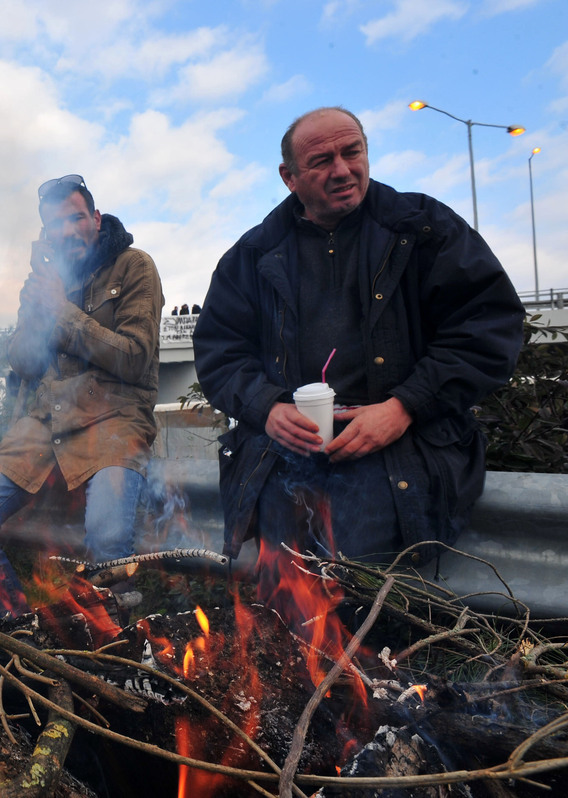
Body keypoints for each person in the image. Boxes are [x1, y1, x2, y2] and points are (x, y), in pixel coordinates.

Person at [193, 106, 524, 567]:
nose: (343, 170)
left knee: (360, 588)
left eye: (353, 153)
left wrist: (405, 405)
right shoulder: (252, 254)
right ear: (289, 177)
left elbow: (489, 325)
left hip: (401, 453)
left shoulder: (423, 228)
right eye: (322, 161)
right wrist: (266, 406)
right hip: (285, 454)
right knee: (282, 596)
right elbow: (219, 351)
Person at [0, 175, 164, 617]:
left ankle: (115, 661)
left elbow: (136, 358)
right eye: (55, 225)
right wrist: (37, 310)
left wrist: (62, 312)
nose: (67, 231)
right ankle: (19, 630)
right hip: (45, 422)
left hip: (114, 421)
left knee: (107, 544)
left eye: (75, 218)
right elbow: (24, 363)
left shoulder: (133, 266)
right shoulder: (45, 282)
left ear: (95, 219)